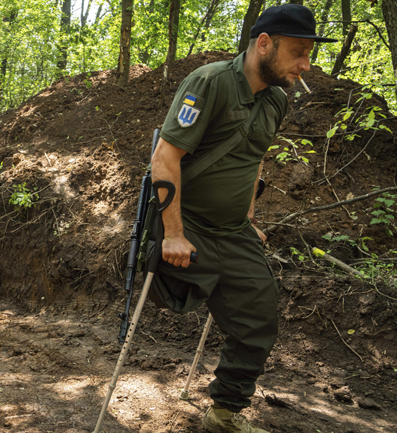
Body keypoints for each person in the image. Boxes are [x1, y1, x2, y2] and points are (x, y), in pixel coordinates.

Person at [149, 5, 337, 433]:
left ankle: (224, 414)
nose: (306, 65)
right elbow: (165, 158)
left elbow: (253, 159)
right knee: (169, 292)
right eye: (298, 52)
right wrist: (173, 233)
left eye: (308, 55)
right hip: (187, 224)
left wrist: (249, 217)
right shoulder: (210, 82)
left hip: (234, 231)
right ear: (264, 43)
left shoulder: (276, 100)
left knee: (259, 318)